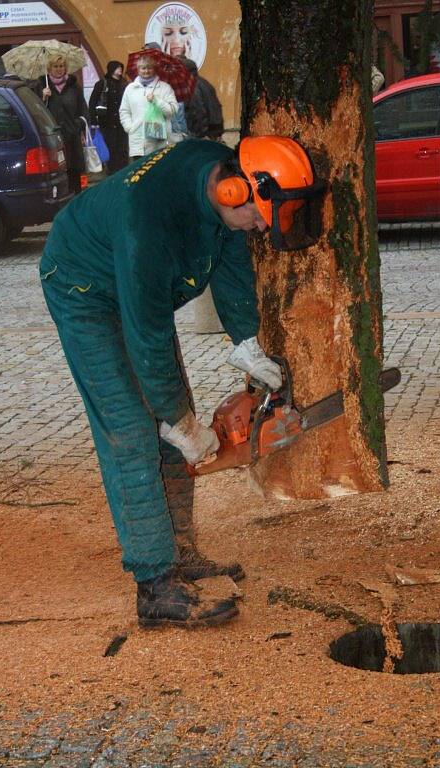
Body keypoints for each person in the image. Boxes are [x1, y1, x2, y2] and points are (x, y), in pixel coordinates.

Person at [39, 136, 324, 629]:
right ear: (234, 191)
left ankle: (180, 552)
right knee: (132, 426)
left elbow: (230, 256)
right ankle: (154, 584)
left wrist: (245, 341)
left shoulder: (218, 181)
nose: (261, 226)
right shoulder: (149, 220)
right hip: (85, 288)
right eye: (259, 215)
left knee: (174, 412)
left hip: (134, 284)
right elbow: (147, 335)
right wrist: (180, 422)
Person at [37, 55, 88, 195]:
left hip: (72, 134)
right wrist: (43, 98)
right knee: (58, 169)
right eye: (55, 66)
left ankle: (77, 197)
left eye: (61, 66)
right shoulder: (42, 86)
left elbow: (83, 109)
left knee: (74, 168)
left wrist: (79, 126)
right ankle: (61, 197)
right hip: (54, 137)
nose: (59, 69)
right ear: (49, 68)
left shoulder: (74, 86)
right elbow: (36, 112)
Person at [119, 55, 178, 160]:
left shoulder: (164, 88)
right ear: (138, 70)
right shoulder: (131, 89)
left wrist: (157, 101)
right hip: (137, 139)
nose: (146, 71)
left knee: (157, 172)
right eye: (143, 68)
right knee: (139, 173)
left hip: (158, 141)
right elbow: (124, 111)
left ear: (154, 69)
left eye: (149, 68)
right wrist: (129, 127)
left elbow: (172, 111)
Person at [89, 61, 129, 175]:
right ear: (111, 69)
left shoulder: (124, 84)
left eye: (121, 68)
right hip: (106, 124)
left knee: (122, 151)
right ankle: (111, 174)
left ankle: (122, 174)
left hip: (121, 123)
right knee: (110, 151)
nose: (120, 70)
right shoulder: (102, 84)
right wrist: (93, 121)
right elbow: (92, 102)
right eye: (117, 68)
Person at [178, 56, 223, 141]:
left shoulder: (190, 85)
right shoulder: (203, 82)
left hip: (202, 134)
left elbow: (197, 110)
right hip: (214, 130)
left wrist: (200, 135)